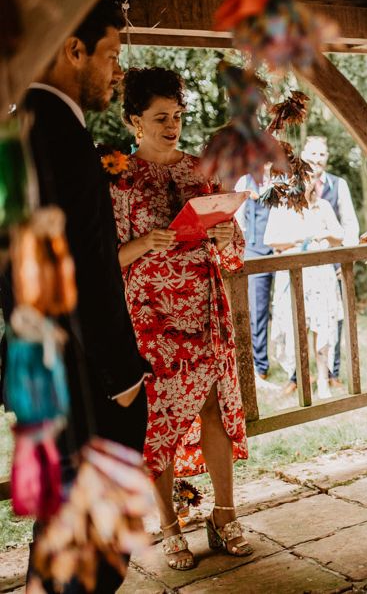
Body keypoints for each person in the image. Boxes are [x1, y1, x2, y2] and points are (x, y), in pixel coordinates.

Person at [20, 0, 149, 592]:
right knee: (92, 556)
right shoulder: (61, 136)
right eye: (112, 55)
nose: (117, 71)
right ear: (75, 49)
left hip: (43, 369)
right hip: (86, 378)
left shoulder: (23, 124)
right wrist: (123, 377)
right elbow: (88, 269)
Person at [111, 68, 251, 570]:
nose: (173, 125)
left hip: (205, 309)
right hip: (151, 316)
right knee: (158, 423)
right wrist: (145, 242)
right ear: (134, 120)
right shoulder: (118, 180)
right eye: (160, 117)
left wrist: (225, 238)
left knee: (213, 407)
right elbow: (104, 259)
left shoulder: (199, 169)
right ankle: (168, 526)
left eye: (178, 116)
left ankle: (225, 515)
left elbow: (235, 251)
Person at [264, 179, 344, 399]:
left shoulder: (323, 206)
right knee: (295, 327)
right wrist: (299, 240)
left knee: (323, 327)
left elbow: (339, 237)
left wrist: (324, 235)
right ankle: (299, 379)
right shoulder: (281, 207)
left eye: (307, 180)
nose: (302, 184)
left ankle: (324, 379)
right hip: (293, 275)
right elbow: (270, 240)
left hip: (320, 275)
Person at [300, 136, 359, 389]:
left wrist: (346, 260)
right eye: (312, 153)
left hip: (333, 259)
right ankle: (299, 376)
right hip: (304, 263)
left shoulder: (338, 184)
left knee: (334, 317)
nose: (316, 159)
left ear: (327, 157)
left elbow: (349, 223)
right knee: (303, 318)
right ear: (303, 154)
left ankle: (332, 373)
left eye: (321, 154)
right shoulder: (292, 185)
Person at [234, 166, 275, 381]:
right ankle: (261, 367)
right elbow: (238, 221)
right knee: (257, 311)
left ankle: (293, 369)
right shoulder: (244, 181)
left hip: (283, 249)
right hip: (255, 251)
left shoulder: (284, 180)